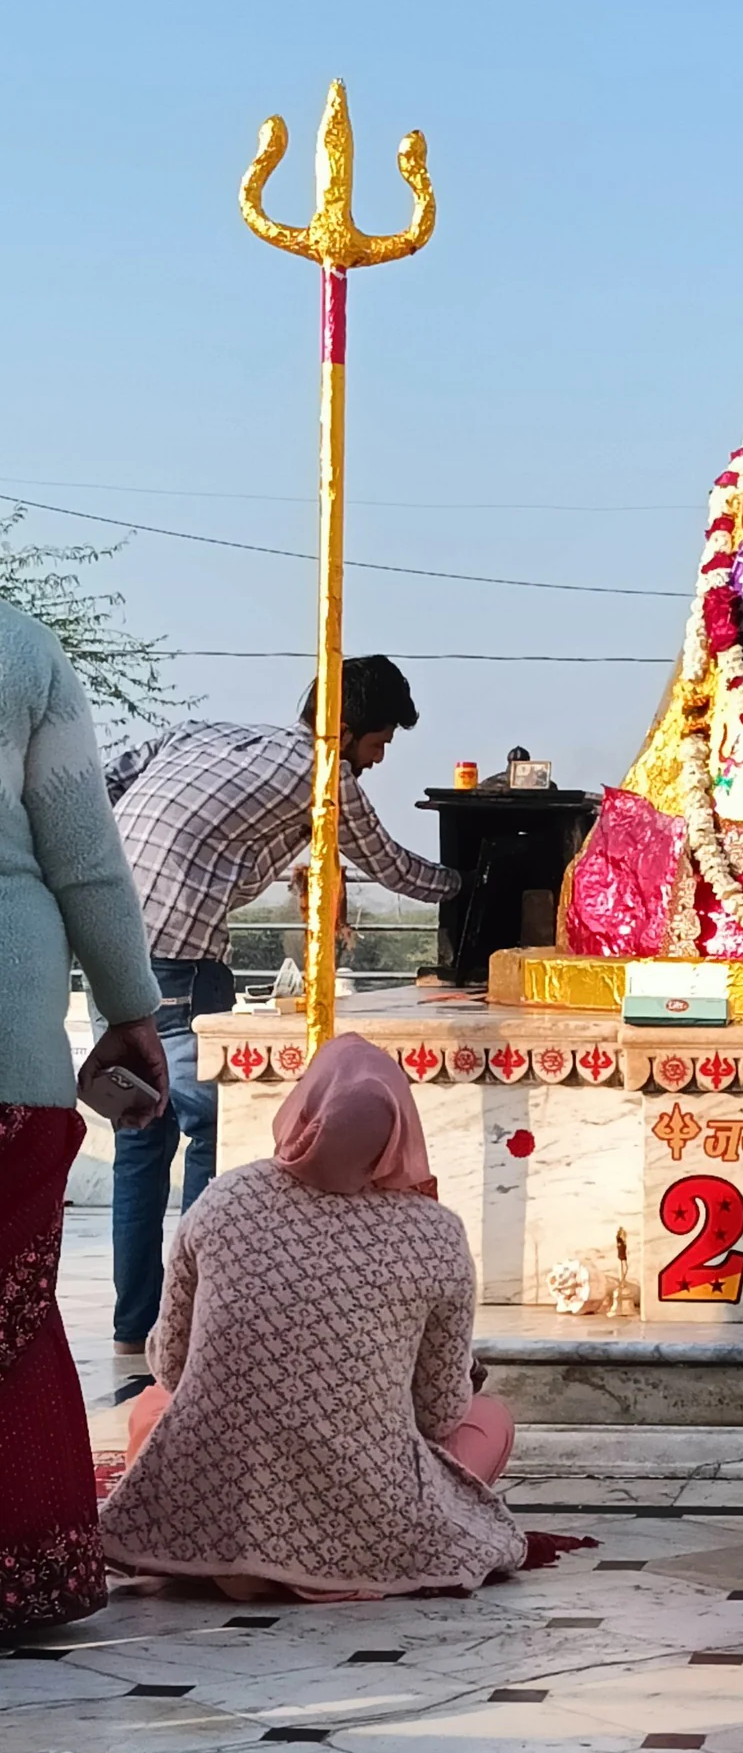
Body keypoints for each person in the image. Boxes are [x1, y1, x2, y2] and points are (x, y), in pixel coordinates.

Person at [102, 656, 459, 1357]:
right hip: (178, 952)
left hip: (107, 936)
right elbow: (391, 866)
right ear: (350, 730)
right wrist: (470, 883)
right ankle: (202, 1310)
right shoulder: (327, 776)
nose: (378, 760)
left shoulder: (203, 733)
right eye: (380, 742)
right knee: (216, 1125)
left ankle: (134, 1320)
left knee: (139, 1138)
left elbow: (109, 776)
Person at [100, 1035, 527, 1600]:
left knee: (152, 1410)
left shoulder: (226, 1198)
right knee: (489, 1421)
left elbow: (174, 1366)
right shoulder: (436, 1232)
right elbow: (438, 1411)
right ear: (401, 1129)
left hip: (218, 1499)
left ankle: (230, 1555)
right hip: (366, 1513)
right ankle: (321, 1561)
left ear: (304, 1107)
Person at [0, 595, 169, 1635]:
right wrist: (131, 1012)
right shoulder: (19, 647)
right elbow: (83, 854)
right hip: (8, 1058)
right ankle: (24, 1578)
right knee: (8, 1324)